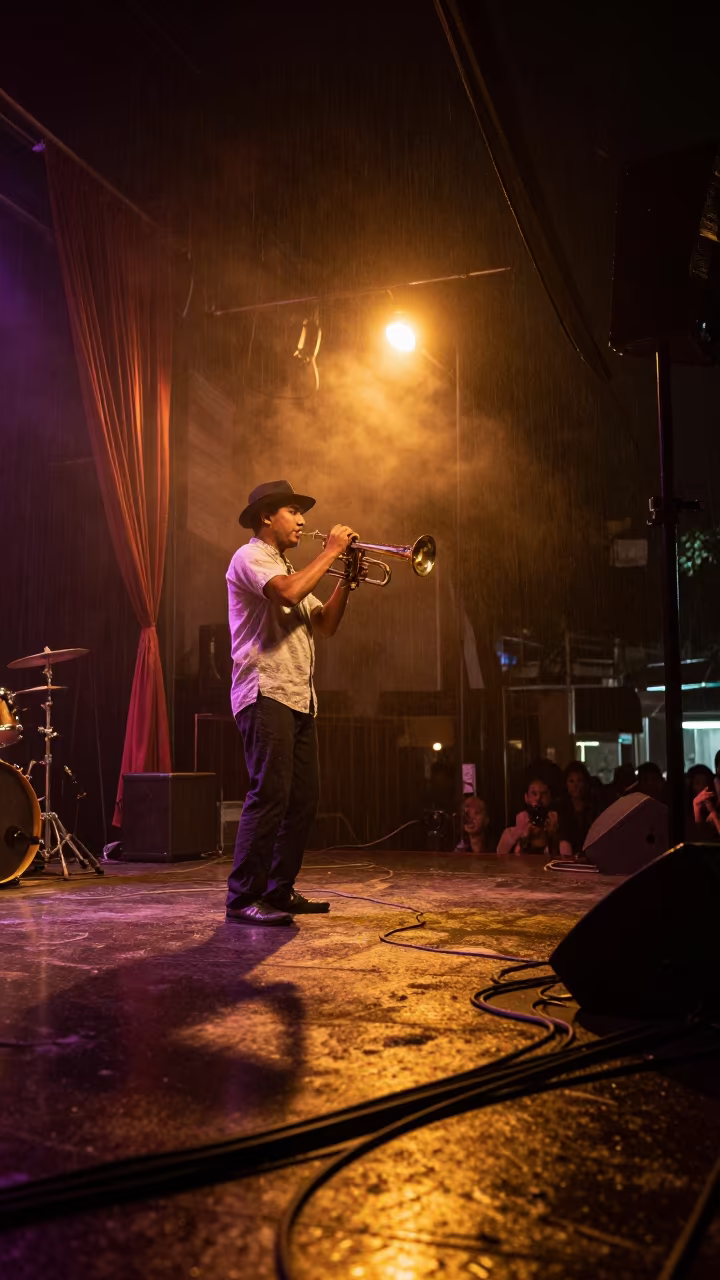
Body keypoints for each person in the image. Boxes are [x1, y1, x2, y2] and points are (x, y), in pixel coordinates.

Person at [225, 480, 356, 926]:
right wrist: (332, 552)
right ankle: (243, 896)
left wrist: (346, 581)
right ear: (267, 517)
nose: (303, 521)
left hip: (299, 697)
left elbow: (326, 623)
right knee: (270, 795)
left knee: (303, 799)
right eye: (293, 511)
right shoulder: (250, 558)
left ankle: (278, 889)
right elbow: (286, 593)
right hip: (265, 691)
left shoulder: (288, 567)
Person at [497, 776, 573, 859]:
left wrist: (555, 837)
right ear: (526, 797)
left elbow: (567, 861)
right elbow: (499, 859)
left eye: (543, 793)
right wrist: (518, 833)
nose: (538, 798)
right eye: (534, 793)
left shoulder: (557, 829)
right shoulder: (513, 831)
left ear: (549, 797)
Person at [555, 761, 599, 856]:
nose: (575, 785)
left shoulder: (594, 806)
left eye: (579, 781)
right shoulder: (561, 807)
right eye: (571, 781)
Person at [688, 764, 720, 839]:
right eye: (697, 783)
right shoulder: (684, 812)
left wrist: (713, 813)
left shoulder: (716, 807)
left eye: (706, 783)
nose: (702, 787)